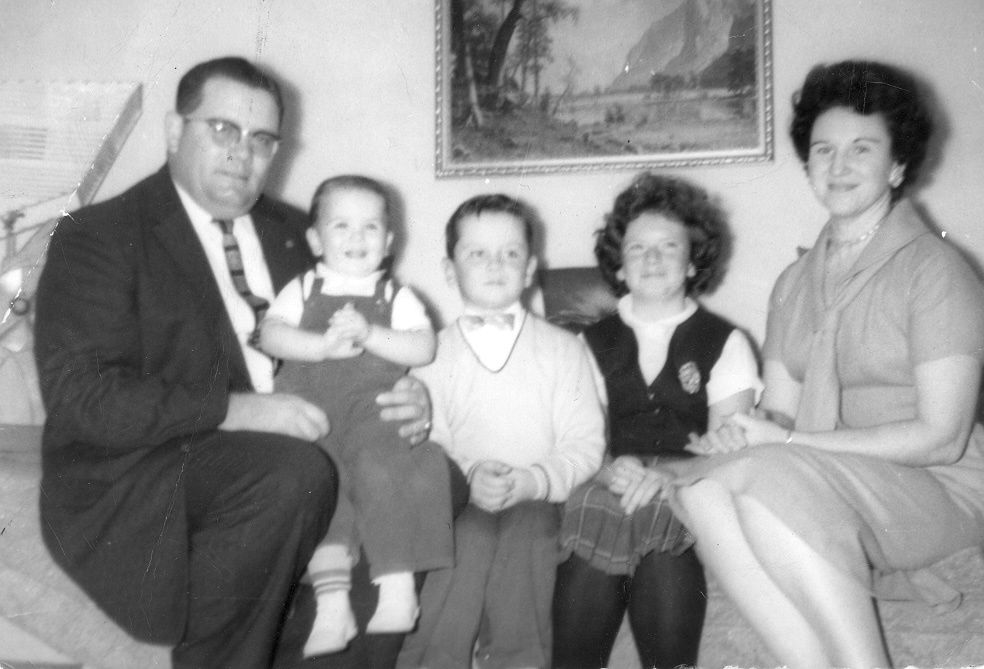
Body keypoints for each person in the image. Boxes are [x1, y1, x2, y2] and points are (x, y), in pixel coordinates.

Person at [33, 56, 434, 669]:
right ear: (175, 131)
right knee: (289, 471)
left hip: (303, 438)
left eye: (262, 139)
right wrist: (236, 410)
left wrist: (411, 393)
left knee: (425, 473)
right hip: (143, 473)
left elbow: (371, 334)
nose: (241, 153)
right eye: (222, 129)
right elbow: (82, 397)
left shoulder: (302, 232)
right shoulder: (100, 235)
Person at [668, 60, 984, 669]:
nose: (838, 167)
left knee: (771, 480)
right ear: (808, 164)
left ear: (896, 166)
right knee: (705, 490)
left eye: (861, 149)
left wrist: (784, 439)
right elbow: (781, 408)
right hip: (833, 475)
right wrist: (743, 432)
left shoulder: (936, 273)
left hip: (940, 488)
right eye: (823, 150)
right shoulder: (793, 283)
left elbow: (942, 440)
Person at [551, 173, 760, 669]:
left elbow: (729, 447)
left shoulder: (726, 342)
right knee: (601, 513)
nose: (651, 258)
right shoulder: (587, 343)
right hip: (607, 480)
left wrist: (666, 476)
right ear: (619, 265)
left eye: (668, 247)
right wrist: (605, 470)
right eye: (637, 247)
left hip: (685, 485)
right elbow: (573, 437)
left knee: (665, 541)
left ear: (692, 262)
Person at [397, 194, 606, 669]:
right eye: (477, 254)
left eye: (510, 253)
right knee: (465, 542)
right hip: (460, 500)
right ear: (450, 271)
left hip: (539, 496)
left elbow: (585, 442)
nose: (495, 264)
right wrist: (469, 477)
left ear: (530, 268)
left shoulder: (564, 350)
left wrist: (533, 479)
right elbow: (428, 437)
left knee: (530, 537)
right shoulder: (430, 354)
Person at [259, 175, 453, 656]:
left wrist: (369, 335)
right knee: (323, 490)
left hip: (373, 410)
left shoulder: (395, 296)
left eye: (370, 228)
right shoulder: (302, 287)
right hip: (312, 412)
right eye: (341, 225)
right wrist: (321, 346)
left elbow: (423, 346)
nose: (355, 238)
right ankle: (332, 608)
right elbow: (272, 335)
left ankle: (397, 588)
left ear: (388, 243)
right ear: (315, 239)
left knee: (381, 471)